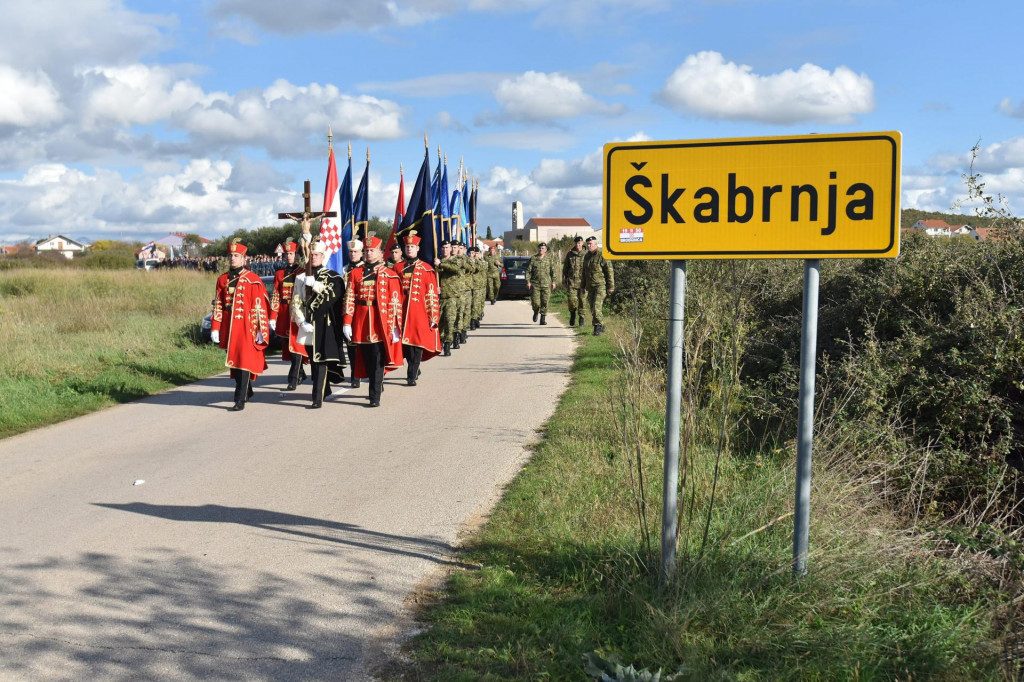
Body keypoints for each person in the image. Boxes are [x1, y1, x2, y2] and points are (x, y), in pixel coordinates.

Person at [343, 235, 404, 407]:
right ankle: (376, 385)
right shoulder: (355, 273)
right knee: (366, 359)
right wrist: (347, 322)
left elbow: (395, 301)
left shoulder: (389, 275)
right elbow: (349, 299)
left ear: (380, 253)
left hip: (380, 322)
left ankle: (374, 395)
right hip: (362, 322)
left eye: (372, 251)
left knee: (378, 359)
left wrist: (395, 326)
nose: (369, 253)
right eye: (367, 251)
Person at [210, 239, 270, 411]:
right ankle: (247, 390)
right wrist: (215, 327)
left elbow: (259, 307)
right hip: (228, 326)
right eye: (231, 256)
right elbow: (218, 305)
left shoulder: (253, 280)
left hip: (246, 326)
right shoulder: (222, 279)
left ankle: (239, 398)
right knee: (234, 362)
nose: (233, 259)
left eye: (236, 256)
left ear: (244, 258)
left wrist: (260, 329)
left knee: (243, 360)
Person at [295, 240, 346, 408]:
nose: (314, 257)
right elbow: (295, 302)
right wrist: (301, 322)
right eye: (311, 254)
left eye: (317, 255)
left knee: (321, 360)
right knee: (313, 359)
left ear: (323, 256)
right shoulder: (300, 277)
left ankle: (317, 397)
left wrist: (315, 285)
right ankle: (325, 389)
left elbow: (334, 294)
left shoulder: (333, 276)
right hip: (308, 325)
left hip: (325, 325)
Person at [394, 235, 441, 385]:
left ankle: (411, 375)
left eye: (412, 247)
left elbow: (431, 294)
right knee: (405, 344)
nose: (409, 249)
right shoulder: (398, 267)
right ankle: (413, 366)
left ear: (418, 248)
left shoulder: (427, 269)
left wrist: (433, 316)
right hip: (401, 308)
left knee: (416, 343)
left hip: (418, 310)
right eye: (407, 247)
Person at [270, 239, 308, 390]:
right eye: (286, 254)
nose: (289, 257)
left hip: (298, 312)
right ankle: (301, 372)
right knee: (287, 345)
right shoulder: (279, 274)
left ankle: (293, 378)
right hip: (284, 312)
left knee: (296, 345)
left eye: (291, 254)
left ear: (296, 255)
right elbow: (274, 295)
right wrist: (273, 316)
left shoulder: (303, 272)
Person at [581, 235, 615, 336]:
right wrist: (582, 286)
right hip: (590, 286)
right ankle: (601, 324)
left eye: (590, 244)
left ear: (596, 244)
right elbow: (584, 273)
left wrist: (611, 286)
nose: (588, 246)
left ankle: (597, 327)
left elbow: (609, 271)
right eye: (587, 244)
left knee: (596, 306)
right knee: (592, 308)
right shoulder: (586, 256)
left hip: (601, 286)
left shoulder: (602, 255)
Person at [343, 238, 365, 388]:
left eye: (355, 251)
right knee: (351, 345)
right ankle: (355, 374)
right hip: (347, 310)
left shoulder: (366, 269)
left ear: (361, 253)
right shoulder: (344, 269)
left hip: (362, 310)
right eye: (350, 252)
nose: (353, 254)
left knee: (364, 345)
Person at [434, 239, 461, 355]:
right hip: (439, 296)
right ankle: (438, 341)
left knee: (450, 321)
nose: (445, 250)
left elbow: (455, 269)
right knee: (439, 321)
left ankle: (447, 343)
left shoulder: (456, 260)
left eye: (447, 247)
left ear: (451, 248)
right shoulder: (436, 260)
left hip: (452, 296)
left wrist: (440, 264)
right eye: (443, 248)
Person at [525, 242, 557, 325]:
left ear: (546, 250)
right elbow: (528, 271)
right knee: (535, 302)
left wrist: (553, 282)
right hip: (535, 284)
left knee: (545, 302)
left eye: (543, 248)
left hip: (546, 284)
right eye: (539, 248)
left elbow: (553, 271)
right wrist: (528, 281)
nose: (541, 249)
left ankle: (543, 318)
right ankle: (536, 311)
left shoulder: (549, 259)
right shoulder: (533, 258)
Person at [562, 235, 587, 328]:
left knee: (582, 301)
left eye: (579, 243)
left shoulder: (586, 254)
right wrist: (564, 281)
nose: (578, 244)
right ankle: (572, 314)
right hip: (571, 282)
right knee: (572, 301)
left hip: (583, 283)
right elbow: (565, 269)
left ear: (582, 243)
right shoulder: (570, 254)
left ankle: (581, 318)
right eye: (576, 243)